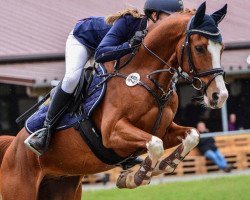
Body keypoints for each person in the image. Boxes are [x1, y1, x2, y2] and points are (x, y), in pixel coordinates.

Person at [25, 0, 184, 156]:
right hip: (84, 39)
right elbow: (101, 53)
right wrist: (129, 46)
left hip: (111, 51)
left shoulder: (155, 37)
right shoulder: (128, 22)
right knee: (72, 79)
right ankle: (46, 130)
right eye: (170, 18)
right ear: (154, 15)